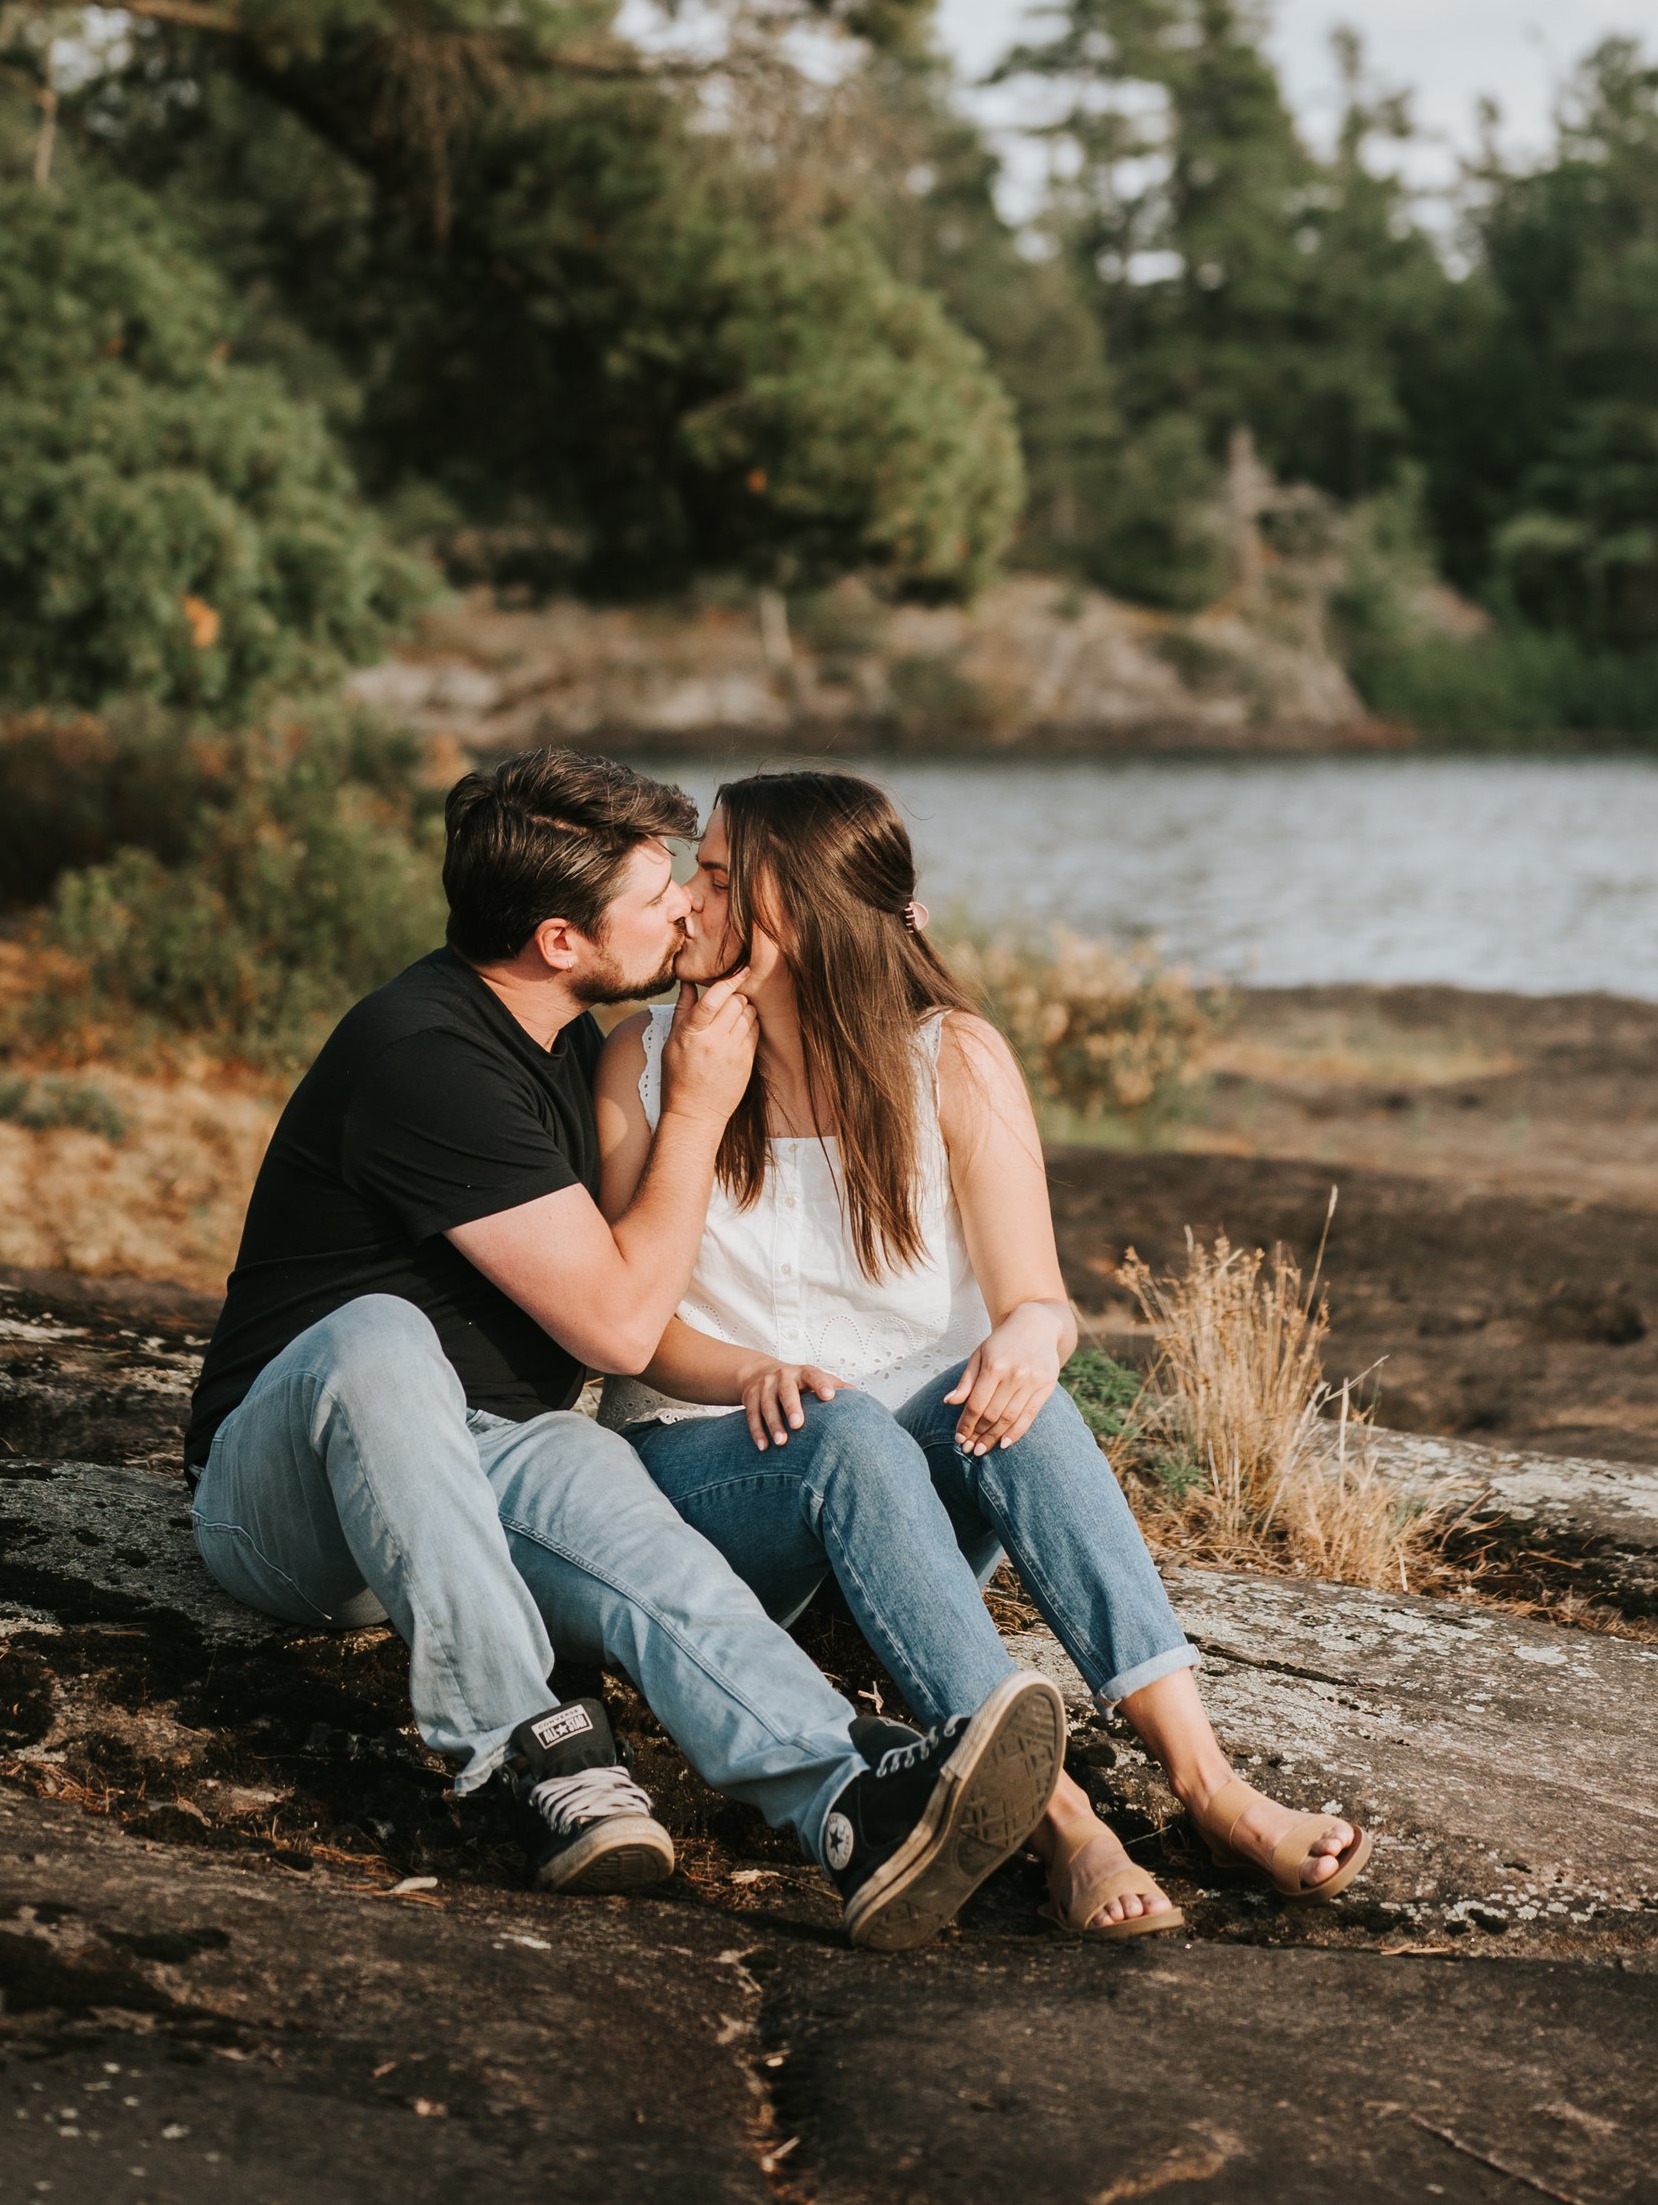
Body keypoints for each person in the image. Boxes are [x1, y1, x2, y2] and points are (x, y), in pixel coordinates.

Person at [183, 747, 1064, 1945]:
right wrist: (699, 1106)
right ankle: (517, 1746)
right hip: (292, 1496)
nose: (689, 911)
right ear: (560, 942)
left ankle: (846, 1801)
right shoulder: (423, 1055)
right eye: (662, 898)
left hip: (488, 1465)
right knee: (383, 1336)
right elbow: (614, 1324)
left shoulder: (560, 1046)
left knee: (650, 1550)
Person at [595, 770, 1373, 1939]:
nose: (686, 906)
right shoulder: (644, 1060)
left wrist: (1027, 1334)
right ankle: (1062, 1825)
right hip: (720, 1483)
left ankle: (1210, 1786)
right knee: (846, 1424)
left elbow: (1040, 1302)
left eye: (714, 879)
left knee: (1024, 1404)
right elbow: (628, 1324)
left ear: (796, 912)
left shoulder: (950, 1059)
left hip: (908, 1512)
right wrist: (751, 1374)